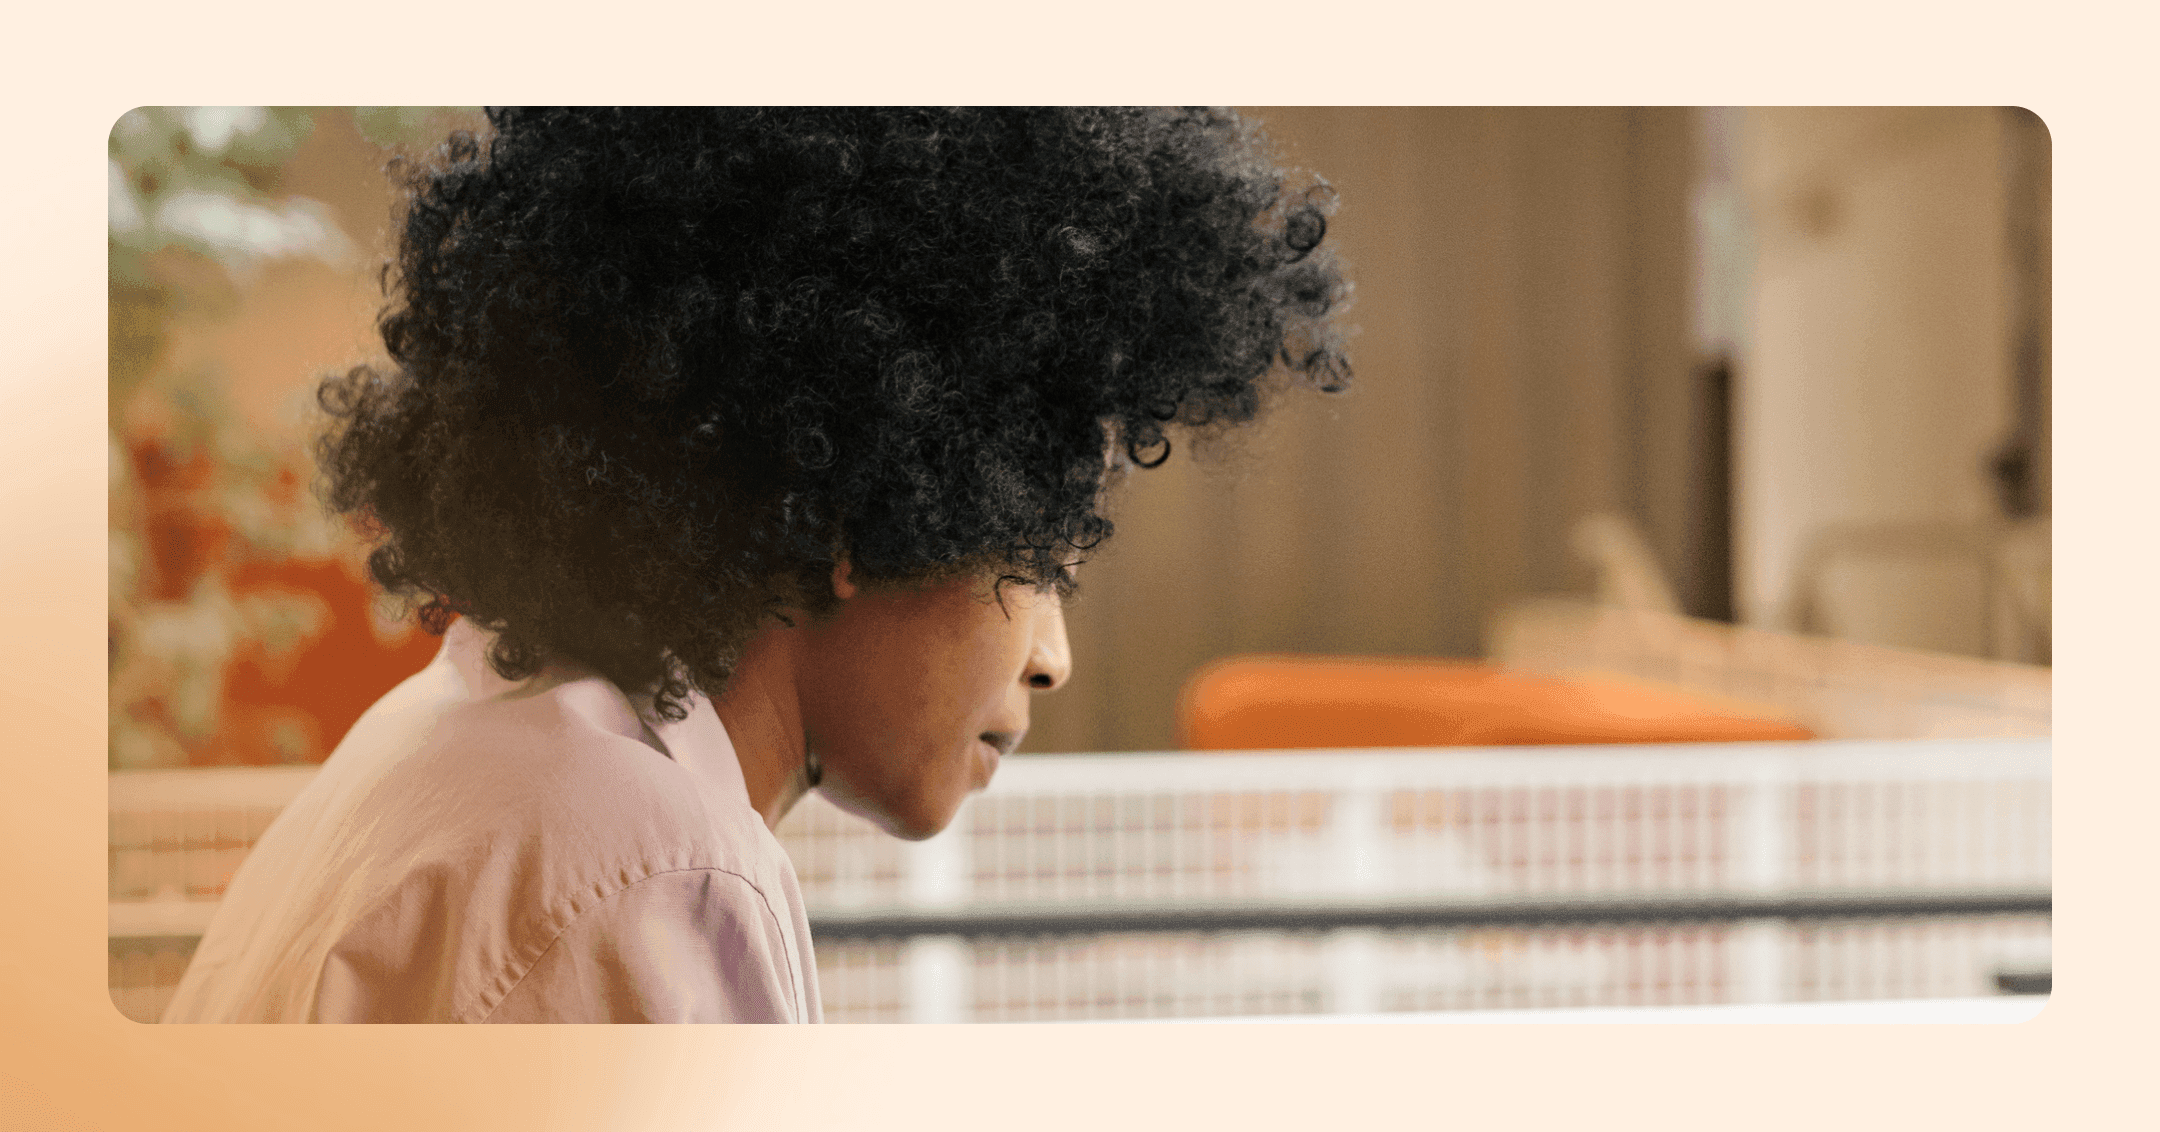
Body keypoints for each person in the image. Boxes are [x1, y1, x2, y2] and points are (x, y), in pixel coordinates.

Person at [162, 107, 1350, 1023]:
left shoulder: (458, 735)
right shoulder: (655, 865)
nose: (1053, 656)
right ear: (858, 508)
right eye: (1038, 558)